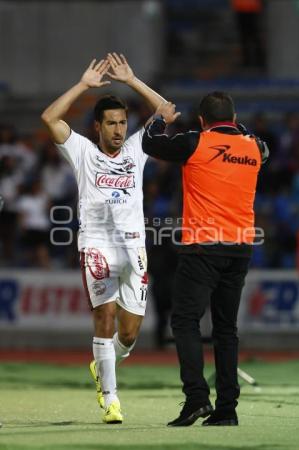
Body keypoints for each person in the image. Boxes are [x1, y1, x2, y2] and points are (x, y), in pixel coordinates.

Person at [41, 53, 167, 424]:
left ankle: (104, 364)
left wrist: (131, 81)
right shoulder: (81, 152)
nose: (118, 130)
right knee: (105, 318)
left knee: (128, 334)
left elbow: (166, 111)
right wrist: (82, 85)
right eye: (111, 123)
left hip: (134, 248)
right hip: (97, 246)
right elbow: (49, 118)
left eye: (122, 123)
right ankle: (111, 399)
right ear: (97, 127)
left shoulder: (136, 149)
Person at [142, 92, 269, 426]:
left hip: (203, 247)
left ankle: (197, 398)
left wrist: (159, 118)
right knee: (226, 329)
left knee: (185, 321)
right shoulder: (254, 146)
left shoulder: (195, 141)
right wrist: (242, 131)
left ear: (201, 120)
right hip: (240, 247)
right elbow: (260, 145)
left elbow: (150, 144)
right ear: (235, 117)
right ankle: (227, 408)